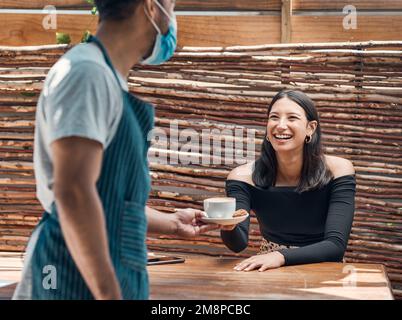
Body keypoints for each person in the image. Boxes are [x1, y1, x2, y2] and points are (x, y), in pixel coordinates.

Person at [13, 0, 216, 300]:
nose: (173, 19)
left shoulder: (105, 78)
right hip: (70, 276)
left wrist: (173, 222)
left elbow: (108, 200)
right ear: (149, 7)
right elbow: (75, 192)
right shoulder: (85, 73)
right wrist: (109, 293)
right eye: (171, 5)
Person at [220, 90, 356, 272]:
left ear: (311, 128)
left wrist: (280, 255)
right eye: (274, 117)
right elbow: (238, 244)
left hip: (324, 268)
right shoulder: (242, 177)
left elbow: (335, 246)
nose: (281, 125)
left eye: (292, 118)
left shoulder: (339, 170)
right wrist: (228, 227)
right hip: (268, 270)